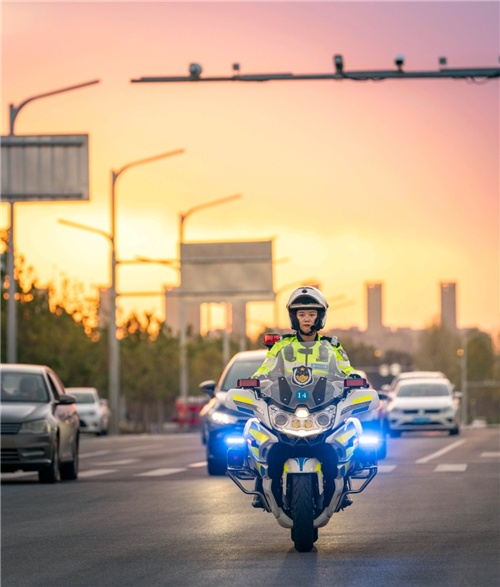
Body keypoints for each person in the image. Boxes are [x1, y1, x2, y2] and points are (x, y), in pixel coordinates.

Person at [250, 286, 359, 509]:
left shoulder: (331, 345)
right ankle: (263, 489)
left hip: (322, 409)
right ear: (294, 317)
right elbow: (266, 368)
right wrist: (255, 381)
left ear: (320, 317)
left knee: (332, 454)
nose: (307, 319)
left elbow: (346, 368)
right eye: (301, 314)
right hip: (287, 408)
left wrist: (354, 378)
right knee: (272, 453)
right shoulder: (281, 345)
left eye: (311, 314)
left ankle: (340, 490)